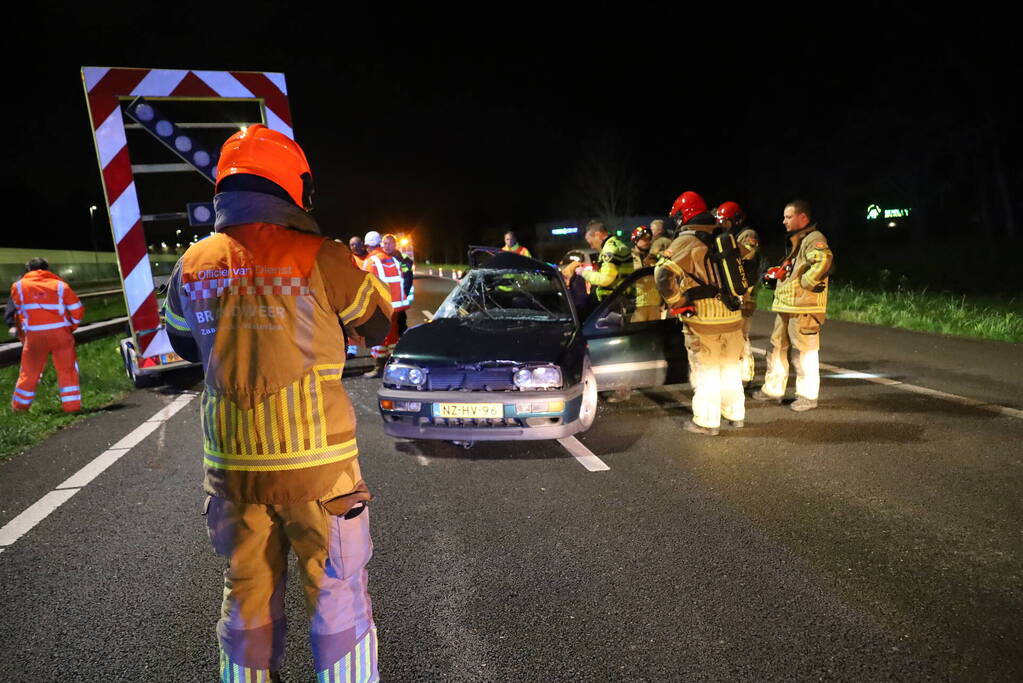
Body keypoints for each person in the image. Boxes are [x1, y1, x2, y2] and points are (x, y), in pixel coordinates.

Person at [161, 124, 393, 683]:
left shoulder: (192, 263)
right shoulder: (323, 255)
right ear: (293, 186)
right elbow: (381, 322)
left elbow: (182, 342)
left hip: (233, 470)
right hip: (319, 471)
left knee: (246, 601)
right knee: (338, 600)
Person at [654, 191, 745, 436]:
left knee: (706, 370)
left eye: (677, 217)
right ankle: (735, 413)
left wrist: (677, 301)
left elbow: (662, 274)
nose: (676, 222)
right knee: (730, 369)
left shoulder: (686, 240)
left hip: (704, 318)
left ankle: (706, 421)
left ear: (685, 215)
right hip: (733, 315)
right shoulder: (722, 235)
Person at [754, 200, 833, 411]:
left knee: (804, 353)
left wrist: (806, 283)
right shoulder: (799, 240)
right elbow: (795, 269)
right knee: (776, 348)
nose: (784, 221)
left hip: (804, 308)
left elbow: (823, 261)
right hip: (788, 307)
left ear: (803, 218)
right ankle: (773, 390)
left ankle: (807, 396)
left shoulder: (815, 239)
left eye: (788, 217)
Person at [7, 258, 85, 413]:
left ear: (28, 270)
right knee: (67, 370)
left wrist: (23, 328)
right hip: (61, 334)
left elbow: (18, 312)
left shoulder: (18, 287)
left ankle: (20, 407)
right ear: (47, 268)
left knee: (29, 372)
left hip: (35, 336)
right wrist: (71, 326)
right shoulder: (61, 286)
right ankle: (72, 407)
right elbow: (77, 310)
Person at [715, 201, 760, 385]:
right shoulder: (732, 236)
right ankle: (736, 372)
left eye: (725, 222)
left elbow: (745, 255)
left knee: (741, 336)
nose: (722, 225)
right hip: (736, 295)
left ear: (736, 220)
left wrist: (723, 242)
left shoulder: (747, 235)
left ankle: (745, 375)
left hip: (746, 296)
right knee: (733, 336)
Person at [361, 232, 412, 377]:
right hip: (396, 305)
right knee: (392, 336)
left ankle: (380, 367)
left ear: (368, 246)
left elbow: (364, 284)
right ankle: (393, 365)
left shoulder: (370, 261)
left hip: (381, 306)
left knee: (379, 336)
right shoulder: (392, 260)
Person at [561, 220, 634, 302]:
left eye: (591, 243)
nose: (591, 247)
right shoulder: (614, 245)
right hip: (618, 298)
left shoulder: (610, 249)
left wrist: (583, 272)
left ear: (597, 235)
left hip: (614, 300)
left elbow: (605, 279)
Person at [630, 226, 662, 322]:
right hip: (636, 305)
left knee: (653, 333)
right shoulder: (629, 257)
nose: (646, 242)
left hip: (655, 303)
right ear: (635, 240)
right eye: (643, 239)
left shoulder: (654, 258)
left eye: (648, 239)